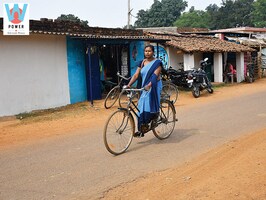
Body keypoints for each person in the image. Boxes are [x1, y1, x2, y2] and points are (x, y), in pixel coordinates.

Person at [125, 45, 163, 137]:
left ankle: (152, 119)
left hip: (154, 85)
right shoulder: (141, 63)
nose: (147, 53)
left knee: (147, 103)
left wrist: (149, 85)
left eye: (149, 51)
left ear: (153, 52)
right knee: (140, 105)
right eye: (146, 51)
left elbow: (155, 76)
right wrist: (129, 85)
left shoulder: (157, 63)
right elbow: (136, 75)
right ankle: (142, 128)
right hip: (144, 87)